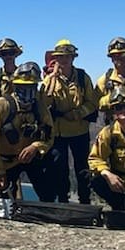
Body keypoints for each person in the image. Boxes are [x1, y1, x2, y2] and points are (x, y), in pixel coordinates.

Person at [0, 62, 57, 200]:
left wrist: (35, 147)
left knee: (48, 193)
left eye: (31, 87)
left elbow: (49, 135)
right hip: (6, 161)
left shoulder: (39, 107)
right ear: (15, 86)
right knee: (4, 199)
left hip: (31, 158)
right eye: (23, 87)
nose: (27, 91)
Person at [42, 40, 99, 203]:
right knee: (59, 167)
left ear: (73, 58)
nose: (64, 60)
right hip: (58, 132)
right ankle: (63, 199)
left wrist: (78, 113)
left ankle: (85, 199)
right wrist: (52, 79)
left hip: (79, 130)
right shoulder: (49, 80)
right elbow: (44, 104)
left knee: (82, 167)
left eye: (67, 56)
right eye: (60, 57)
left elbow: (92, 102)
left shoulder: (82, 77)